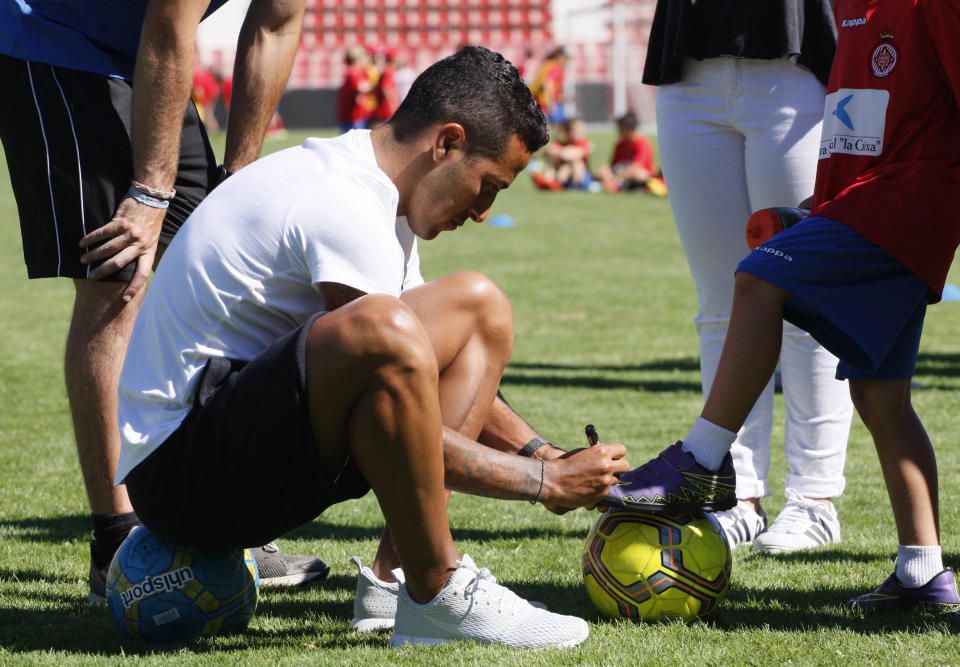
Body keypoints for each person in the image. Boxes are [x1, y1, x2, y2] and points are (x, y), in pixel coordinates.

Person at [115, 46, 627, 648]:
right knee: (386, 326)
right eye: (489, 186)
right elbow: (392, 378)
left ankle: (397, 581)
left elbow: (417, 373)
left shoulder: (374, 191)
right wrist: (540, 484)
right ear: (447, 143)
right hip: (182, 481)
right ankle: (438, 589)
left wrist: (546, 454)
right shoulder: (341, 197)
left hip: (237, 450)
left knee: (477, 307)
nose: (485, 212)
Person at [607, 0, 960, 613]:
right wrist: (819, 205)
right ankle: (924, 576)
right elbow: (855, 129)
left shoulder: (936, 5)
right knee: (881, 396)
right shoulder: (848, 10)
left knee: (759, 279)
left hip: (907, 208)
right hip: (859, 205)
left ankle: (702, 459)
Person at [0, 0, 327, 602]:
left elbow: (277, 21)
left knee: (203, 269)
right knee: (119, 280)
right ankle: (118, 545)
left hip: (144, 55)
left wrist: (238, 175)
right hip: (61, 42)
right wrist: (149, 192)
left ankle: (219, 525)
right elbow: (168, 23)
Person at [641, 0, 854, 552]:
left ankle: (814, 499)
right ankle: (737, 494)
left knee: (805, 300)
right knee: (719, 303)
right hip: (688, 69)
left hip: (797, 67)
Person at [594, 112, 662, 194]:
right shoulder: (620, 144)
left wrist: (617, 177)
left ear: (629, 128)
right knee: (602, 171)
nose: (618, 131)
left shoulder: (642, 143)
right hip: (620, 172)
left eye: (621, 128)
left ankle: (621, 186)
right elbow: (613, 164)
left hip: (639, 175)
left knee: (637, 174)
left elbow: (637, 166)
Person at [531, 118, 593, 191]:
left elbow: (572, 154)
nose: (576, 133)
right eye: (571, 130)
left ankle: (555, 183)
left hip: (581, 179)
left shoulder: (584, 144)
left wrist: (559, 152)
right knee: (554, 163)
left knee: (573, 163)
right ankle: (547, 181)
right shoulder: (562, 143)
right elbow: (547, 151)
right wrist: (559, 153)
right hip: (565, 178)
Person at [337, 46, 374, 133]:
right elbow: (362, 88)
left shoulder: (361, 72)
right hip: (351, 117)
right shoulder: (353, 72)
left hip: (358, 115)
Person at [529, 46, 568, 124]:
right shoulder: (555, 68)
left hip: (534, 99)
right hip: (542, 102)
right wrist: (551, 104)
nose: (567, 61)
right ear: (560, 58)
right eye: (566, 59)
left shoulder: (547, 65)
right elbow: (547, 85)